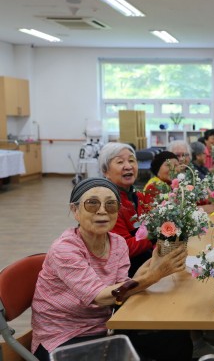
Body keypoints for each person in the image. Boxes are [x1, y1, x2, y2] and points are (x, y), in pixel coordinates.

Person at [31, 178, 192, 361]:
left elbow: (119, 291)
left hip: (106, 325)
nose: (102, 211)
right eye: (92, 204)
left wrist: (149, 269)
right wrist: (153, 275)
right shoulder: (65, 249)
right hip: (65, 336)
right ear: (75, 210)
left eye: (110, 204)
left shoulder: (117, 243)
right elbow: (101, 297)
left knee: (176, 338)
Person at [98, 142, 153, 276]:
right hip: (122, 273)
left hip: (144, 263)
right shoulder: (107, 204)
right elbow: (124, 249)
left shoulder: (138, 195)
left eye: (131, 160)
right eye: (120, 162)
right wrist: (157, 232)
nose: (128, 166)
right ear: (106, 171)